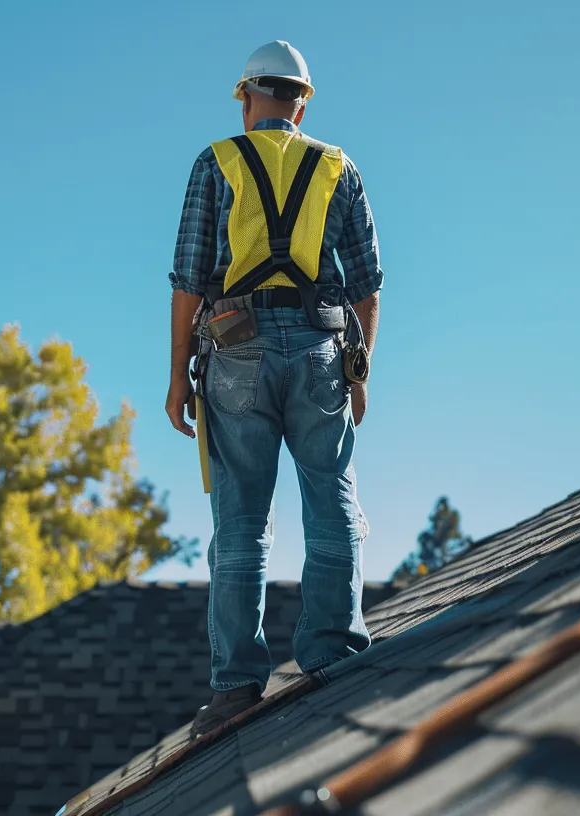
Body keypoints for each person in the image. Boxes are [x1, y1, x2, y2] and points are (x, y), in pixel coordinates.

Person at [164, 40, 384, 735]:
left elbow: (190, 278)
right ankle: (334, 657)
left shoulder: (217, 161)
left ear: (246, 96)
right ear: (304, 101)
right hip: (321, 346)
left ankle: (235, 686)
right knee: (332, 501)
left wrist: (175, 378)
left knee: (240, 526)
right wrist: (359, 369)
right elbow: (367, 284)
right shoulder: (337, 167)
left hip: (237, 350)